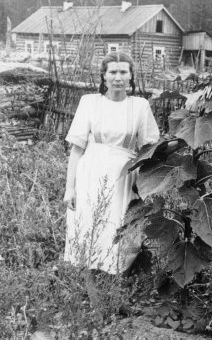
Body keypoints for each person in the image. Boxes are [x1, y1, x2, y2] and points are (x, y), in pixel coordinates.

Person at [63, 51, 160, 275]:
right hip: (90, 172)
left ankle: (118, 281)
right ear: (104, 76)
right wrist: (70, 188)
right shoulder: (89, 102)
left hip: (123, 176)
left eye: (123, 72)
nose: (118, 77)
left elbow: (150, 148)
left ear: (131, 76)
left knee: (118, 226)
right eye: (112, 72)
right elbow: (77, 150)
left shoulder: (140, 106)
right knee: (89, 223)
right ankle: (89, 282)